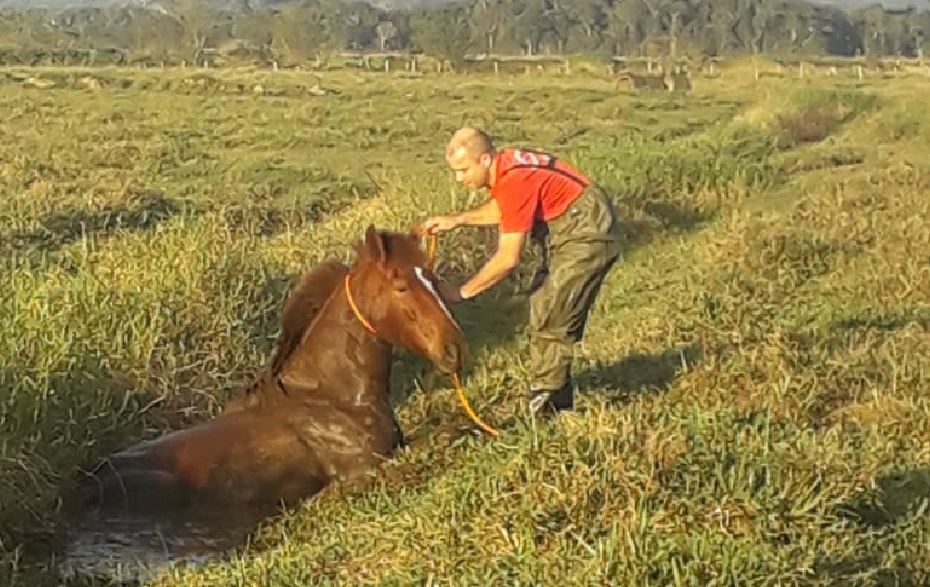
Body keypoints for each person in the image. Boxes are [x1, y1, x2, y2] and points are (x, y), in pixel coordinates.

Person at [421, 127, 622, 416]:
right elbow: (508, 209)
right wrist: (458, 220)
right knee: (542, 305)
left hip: (586, 227)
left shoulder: (514, 179)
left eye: (464, 170)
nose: (459, 178)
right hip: (570, 221)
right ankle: (555, 392)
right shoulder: (508, 168)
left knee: (555, 309)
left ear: (486, 160)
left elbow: (507, 258)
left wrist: (461, 292)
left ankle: (547, 401)